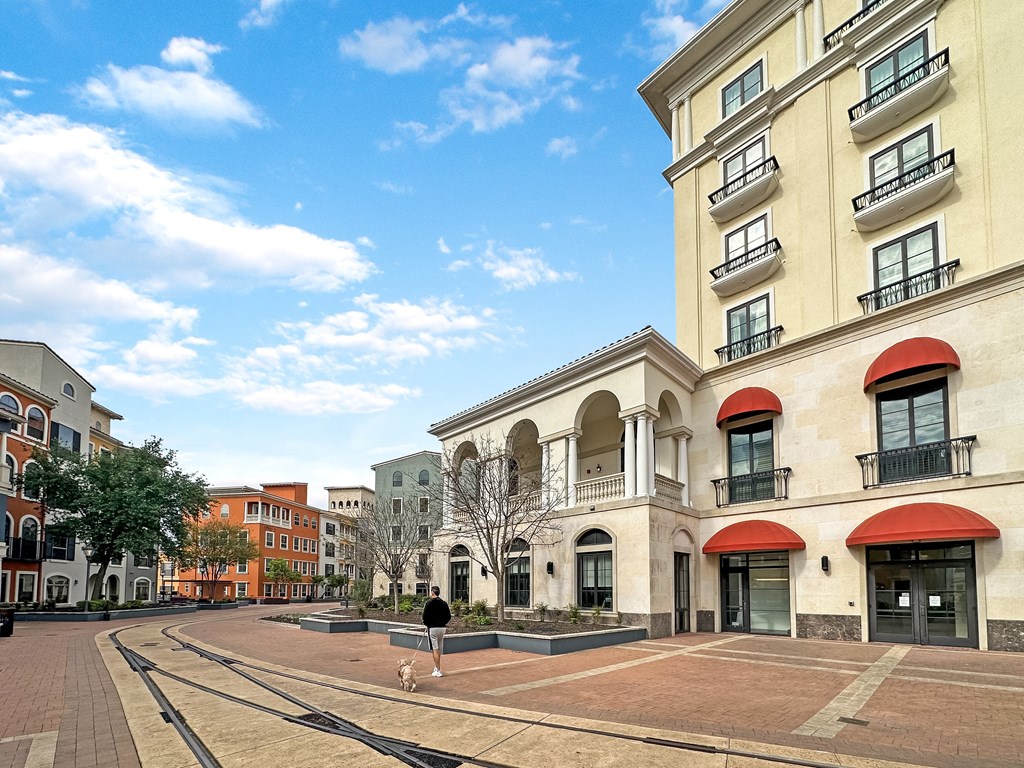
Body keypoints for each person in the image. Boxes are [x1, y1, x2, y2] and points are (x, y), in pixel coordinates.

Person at [421, 585, 451, 677]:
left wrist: (427, 624)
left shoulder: (428, 603)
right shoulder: (444, 603)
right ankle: (436, 667)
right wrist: (443, 622)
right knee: (438, 649)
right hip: (442, 628)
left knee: (435, 649)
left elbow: (424, 617)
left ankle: (438, 669)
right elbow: (449, 616)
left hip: (433, 628)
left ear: (432, 593)